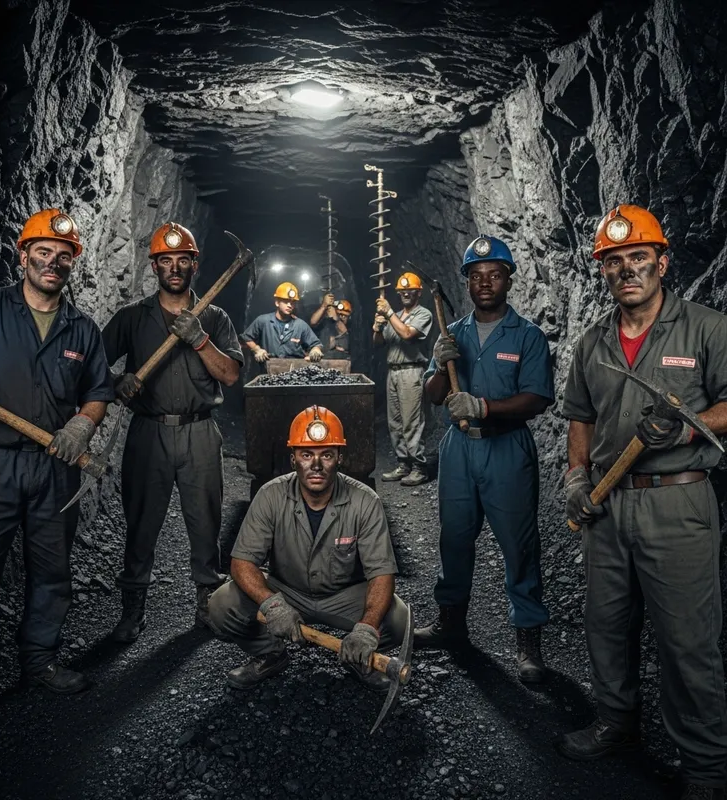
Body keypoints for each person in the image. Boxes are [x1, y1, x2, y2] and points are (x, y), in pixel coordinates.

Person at [558, 205, 727, 800]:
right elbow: (580, 416)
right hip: (608, 506)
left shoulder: (706, 327)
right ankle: (616, 722)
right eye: (613, 262)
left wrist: (686, 430)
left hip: (677, 505)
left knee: (686, 639)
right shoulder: (593, 341)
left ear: (661, 259)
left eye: (637, 258)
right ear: (602, 272)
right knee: (606, 626)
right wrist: (577, 477)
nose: (627, 270)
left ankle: (706, 767)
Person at [0, 209, 114, 732]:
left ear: (72, 263)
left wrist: (82, 425)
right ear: (23, 253)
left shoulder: (83, 328)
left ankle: (40, 661)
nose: (52, 262)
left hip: (57, 465)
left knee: (52, 572)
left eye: (63, 255)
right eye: (43, 252)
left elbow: (98, 391)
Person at [413, 236, 554, 683]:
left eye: (494, 274)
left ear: (508, 278)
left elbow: (537, 399)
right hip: (459, 448)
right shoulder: (454, 333)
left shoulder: (527, 335)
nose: (485, 283)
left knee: (518, 546)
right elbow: (434, 397)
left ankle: (528, 640)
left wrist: (486, 408)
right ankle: (451, 623)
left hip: (507, 448)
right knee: (454, 539)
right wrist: (439, 367)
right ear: (468, 284)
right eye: (476, 276)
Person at [101, 222, 243, 641]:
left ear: (194, 265)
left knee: (205, 522)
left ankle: (207, 602)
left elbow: (231, 375)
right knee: (141, 522)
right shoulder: (132, 319)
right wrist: (114, 384)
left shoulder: (214, 317)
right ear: (155, 267)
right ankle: (133, 609)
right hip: (149, 432)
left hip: (200, 433)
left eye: (183, 260)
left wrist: (199, 340)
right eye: (166, 260)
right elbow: (89, 364)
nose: (175, 267)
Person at [208, 405, 408, 691]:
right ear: (293, 460)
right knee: (221, 604)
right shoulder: (270, 496)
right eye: (306, 454)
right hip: (286, 592)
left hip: (342, 597)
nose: (316, 465)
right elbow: (241, 562)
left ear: (340, 458)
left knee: (398, 618)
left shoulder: (365, 501)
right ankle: (271, 654)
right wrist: (272, 604)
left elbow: (381, 573)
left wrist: (366, 628)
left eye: (326, 454)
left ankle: (358, 656)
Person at [373, 272, 433, 487]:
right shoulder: (396, 315)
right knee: (395, 422)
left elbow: (407, 334)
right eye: (402, 291)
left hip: (411, 372)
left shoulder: (423, 314)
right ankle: (403, 463)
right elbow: (379, 342)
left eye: (410, 290)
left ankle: (419, 467)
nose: (406, 293)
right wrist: (377, 327)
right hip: (393, 372)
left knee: (411, 422)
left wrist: (388, 313)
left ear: (418, 292)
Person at [242, 282, 323, 363]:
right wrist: (257, 349)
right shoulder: (263, 321)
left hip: (294, 370)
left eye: (292, 302)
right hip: (270, 369)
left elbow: (316, 344)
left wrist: (316, 350)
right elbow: (246, 337)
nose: (289, 305)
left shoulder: (300, 325)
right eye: (286, 301)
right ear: (277, 302)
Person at [309, 293, 352, 360]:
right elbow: (313, 322)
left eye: (344, 315)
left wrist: (336, 318)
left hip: (341, 363)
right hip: (323, 361)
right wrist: (324, 306)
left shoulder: (351, 331)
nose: (342, 317)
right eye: (339, 314)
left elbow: (343, 331)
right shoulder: (327, 324)